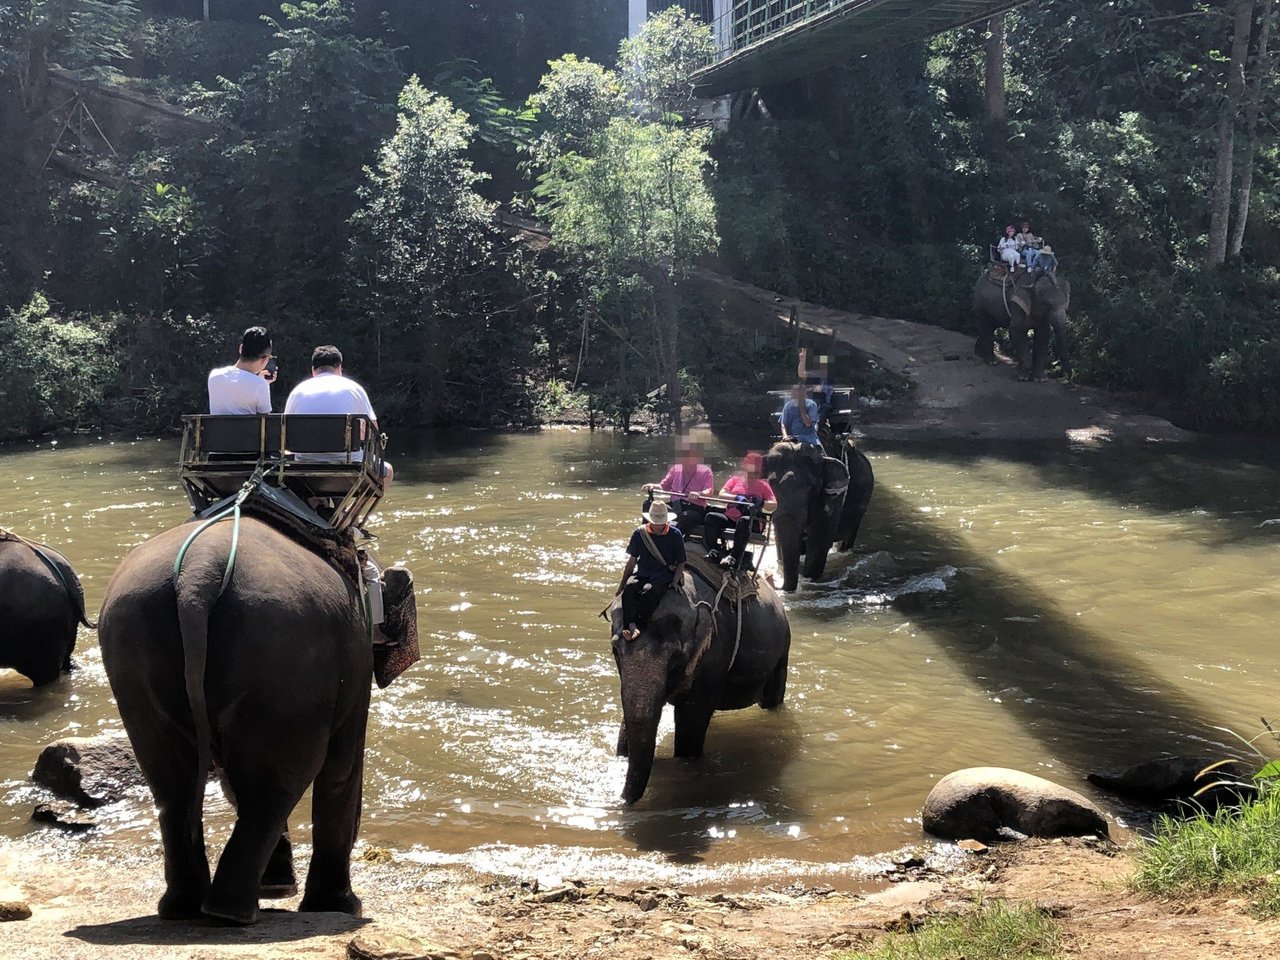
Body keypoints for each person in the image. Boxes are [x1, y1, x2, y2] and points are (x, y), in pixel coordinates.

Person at [284, 344, 393, 490]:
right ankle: (353, 510)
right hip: (348, 464)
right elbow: (373, 433)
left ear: (313, 370)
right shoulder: (354, 388)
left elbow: (286, 432)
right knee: (388, 470)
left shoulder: (297, 392)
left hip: (305, 464)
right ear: (340, 368)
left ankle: (315, 504)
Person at [615, 500, 686, 642]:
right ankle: (630, 625)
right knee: (630, 588)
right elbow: (632, 561)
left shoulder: (675, 535)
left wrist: (674, 581)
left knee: (651, 592)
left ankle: (639, 625)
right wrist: (622, 584)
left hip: (663, 575)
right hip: (643, 572)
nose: (658, 525)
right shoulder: (639, 533)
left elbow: (681, 561)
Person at [703, 452, 776, 570]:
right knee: (711, 517)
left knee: (743, 522)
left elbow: (773, 505)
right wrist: (736, 498)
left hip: (752, 521)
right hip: (731, 517)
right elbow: (721, 495)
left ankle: (734, 556)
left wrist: (761, 502)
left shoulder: (763, 485)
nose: (752, 474)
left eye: (755, 471)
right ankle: (714, 550)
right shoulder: (734, 480)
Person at [642, 435, 714, 533]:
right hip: (675, 506)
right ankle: (644, 536)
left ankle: (673, 538)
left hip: (694, 509)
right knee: (651, 506)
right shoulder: (676, 469)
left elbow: (709, 491)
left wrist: (699, 494)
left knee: (686, 516)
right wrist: (652, 486)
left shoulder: (706, 471)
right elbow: (663, 486)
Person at [207, 326, 276, 415]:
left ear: (241, 348)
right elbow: (264, 421)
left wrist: (258, 381)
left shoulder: (214, 376)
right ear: (264, 359)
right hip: (248, 429)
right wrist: (261, 383)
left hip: (216, 429)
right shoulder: (260, 385)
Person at [797, 346, 834, 421]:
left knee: (824, 408)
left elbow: (831, 389)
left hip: (824, 404)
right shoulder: (812, 374)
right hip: (810, 402)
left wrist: (822, 388)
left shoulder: (829, 377)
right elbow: (801, 374)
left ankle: (816, 426)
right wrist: (802, 361)